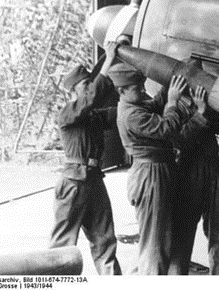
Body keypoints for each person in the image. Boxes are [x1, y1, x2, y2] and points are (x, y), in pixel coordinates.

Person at [107, 62, 192, 275]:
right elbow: (166, 127)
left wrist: (170, 82)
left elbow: (154, 104)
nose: (143, 91)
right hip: (151, 175)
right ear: (122, 90)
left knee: (164, 236)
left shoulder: (134, 106)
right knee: (155, 241)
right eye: (138, 88)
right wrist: (173, 101)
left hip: (156, 171)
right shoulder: (131, 115)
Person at [50, 42, 122, 275]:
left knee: (105, 243)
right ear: (72, 92)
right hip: (73, 183)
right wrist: (108, 60)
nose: (89, 87)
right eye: (84, 85)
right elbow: (90, 99)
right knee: (62, 247)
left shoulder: (93, 117)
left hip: (92, 181)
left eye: (90, 83)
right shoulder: (67, 113)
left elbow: (125, 112)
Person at [168, 85, 219, 275]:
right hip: (188, 173)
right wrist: (200, 113)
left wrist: (206, 109)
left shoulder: (205, 103)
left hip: (214, 169)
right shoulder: (173, 106)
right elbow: (177, 139)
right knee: (182, 234)